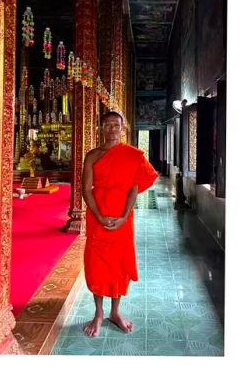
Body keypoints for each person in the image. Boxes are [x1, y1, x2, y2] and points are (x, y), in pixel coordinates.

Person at [81, 111, 158, 337]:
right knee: (97, 266)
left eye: (116, 125)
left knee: (119, 266)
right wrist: (98, 216)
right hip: (98, 216)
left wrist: (124, 216)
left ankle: (115, 312)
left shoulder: (133, 155)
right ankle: (98, 313)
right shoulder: (93, 155)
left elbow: (134, 187)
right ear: (101, 128)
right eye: (107, 124)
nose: (112, 128)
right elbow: (86, 189)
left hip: (122, 218)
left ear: (123, 128)